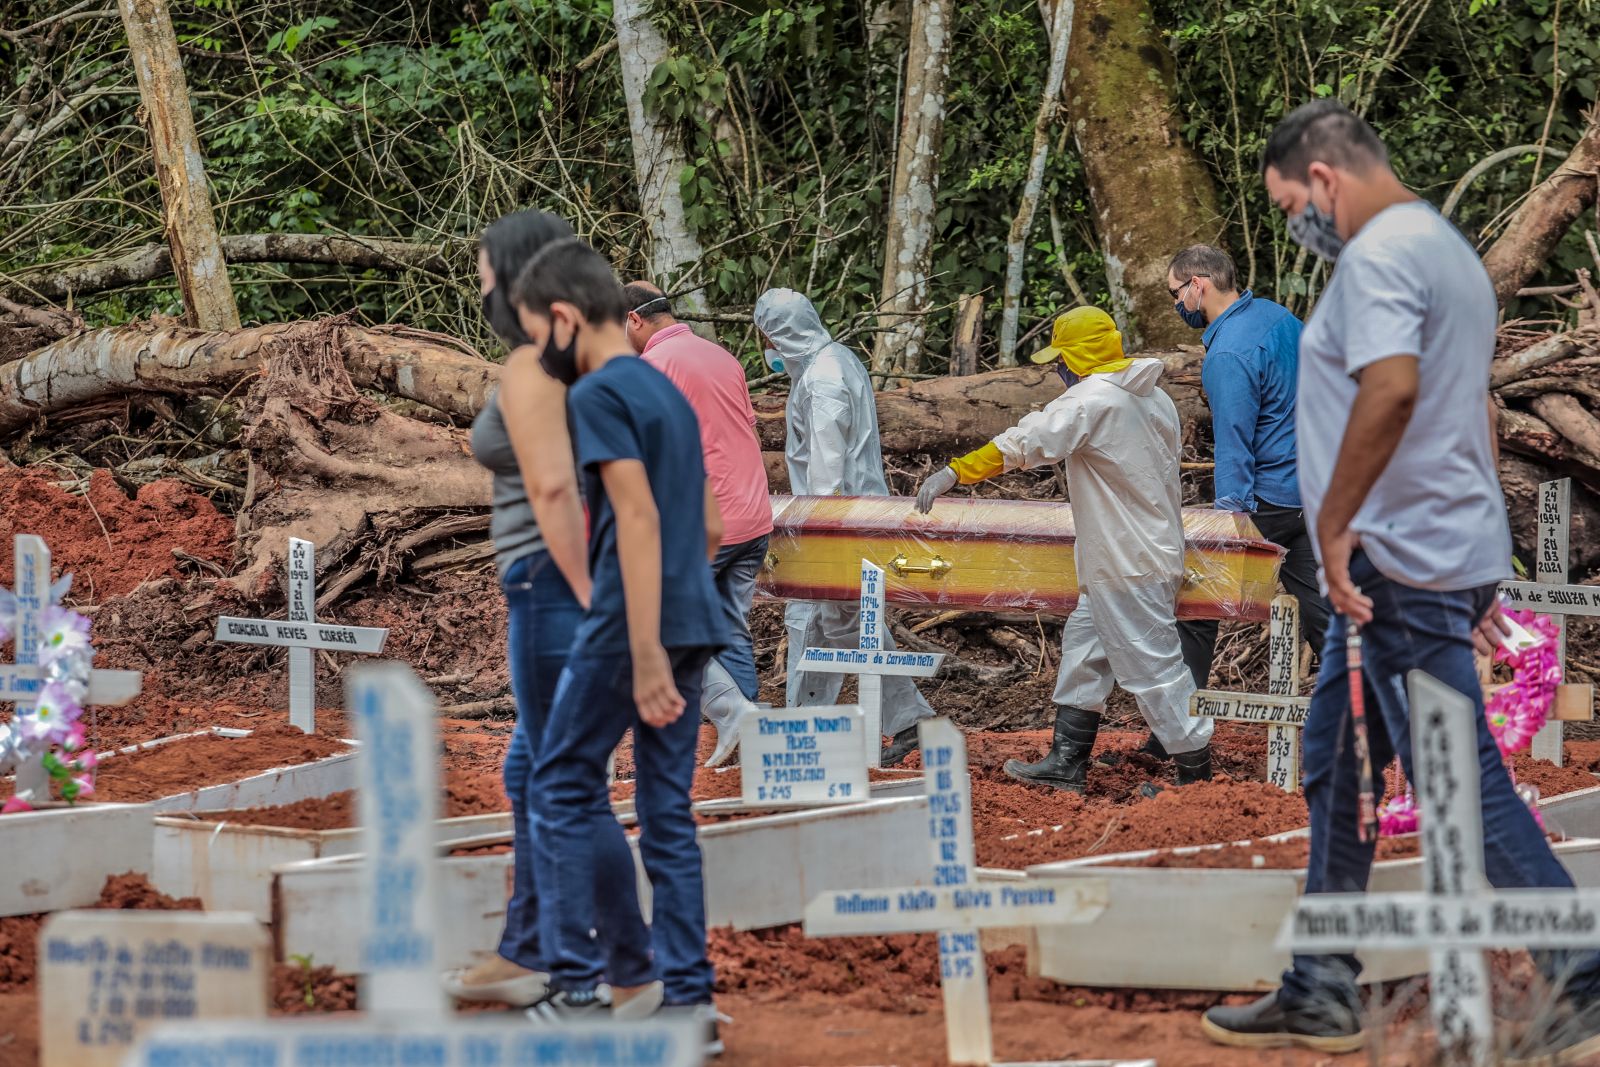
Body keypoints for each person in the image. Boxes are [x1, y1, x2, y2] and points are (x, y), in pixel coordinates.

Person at [1201, 100, 1600, 1060]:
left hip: (1393, 560)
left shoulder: (1378, 257)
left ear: (1325, 179)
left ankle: (1586, 971)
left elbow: (1392, 388)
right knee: (1336, 759)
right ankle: (1324, 984)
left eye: (1292, 203)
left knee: (1452, 776)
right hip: (1428, 548)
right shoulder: (1448, 252)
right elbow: (1470, 412)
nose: (1299, 224)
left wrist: (1332, 528)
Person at [514, 239, 726, 1044]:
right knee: (666, 810)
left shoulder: (597, 395)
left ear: (567, 318)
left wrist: (641, 648)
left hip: (625, 627)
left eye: (541, 335)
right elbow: (706, 523)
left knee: (559, 778)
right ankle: (688, 1000)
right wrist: (675, 605)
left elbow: (634, 515)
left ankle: (574, 983)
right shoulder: (665, 387)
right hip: (695, 617)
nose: (542, 353)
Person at [916, 306, 1213, 791]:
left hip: (1125, 562)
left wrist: (956, 471)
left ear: (1075, 359)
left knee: (1154, 671)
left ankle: (1195, 778)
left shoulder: (1090, 400)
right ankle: (1066, 761)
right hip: (1137, 553)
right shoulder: (1155, 398)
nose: (1057, 370)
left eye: (1060, 360)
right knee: (1084, 653)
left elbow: (1024, 441)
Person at [445, 209, 601, 1007]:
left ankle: (559, 959)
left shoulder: (534, 365)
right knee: (536, 765)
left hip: (548, 578)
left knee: (549, 768)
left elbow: (550, 487)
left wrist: (581, 591)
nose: (482, 295)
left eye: (485, 280)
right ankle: (535, 944)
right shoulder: (577, 358)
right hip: (552, 574)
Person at [753, 287, 934, 766]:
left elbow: (828, 467)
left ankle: (803, 732)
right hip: (851, 517)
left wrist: (817, 530)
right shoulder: (835, 361)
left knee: (820, 619)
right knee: (844, 623)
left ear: (775, 335)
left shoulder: (822, 380)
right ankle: (902, 720)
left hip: (838, 520)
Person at [1166, 243, 1330, 695]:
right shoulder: (1280, 318)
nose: (1178, 305)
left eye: (1176, 294)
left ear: (1198, 284)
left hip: (1268, 499)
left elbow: (1234, 444)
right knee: (1322, 613)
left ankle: (1179, 734)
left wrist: (1227, 521)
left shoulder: (1228, 355)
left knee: (1196, 602)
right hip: (1314, 494)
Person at [624, 281, 772, 767]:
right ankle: (746, 736)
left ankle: (735, 717)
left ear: (634, 320)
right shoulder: (721, 356)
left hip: (705, 523)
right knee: (729, 625)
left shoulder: (652, 368)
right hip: (754, 516)